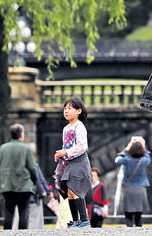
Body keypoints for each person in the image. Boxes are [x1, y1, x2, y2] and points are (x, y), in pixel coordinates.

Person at [54, 96, 92, 228]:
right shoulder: (66, 128)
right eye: (65, 108)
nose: (66, 111)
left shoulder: (79, 126)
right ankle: (75, 220)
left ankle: (84, 218)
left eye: (70, 108)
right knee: (69, 191)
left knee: (76, 189)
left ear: (79, 111)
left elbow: (82, 146)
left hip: (79, 161)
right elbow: (67, 146)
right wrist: (61, 154)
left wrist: (66, 152)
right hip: (69, 162)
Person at [0, 124, 36, 230]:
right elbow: (32, 168)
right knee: (23, 211)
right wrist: (34, 181)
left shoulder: (2, 148)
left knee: (8, 212)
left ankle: (7, 234)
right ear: (21, 135)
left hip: (7, 185)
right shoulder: (26, 148)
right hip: (24, 185)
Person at [116, 137, 151, 227]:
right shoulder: (144, 161)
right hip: (141, 189)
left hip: (129, 189)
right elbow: (147, 156)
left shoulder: (127, 160)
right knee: (138, 216)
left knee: (128, 215)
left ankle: (129, 229)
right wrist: (143, 145)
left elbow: (117, 160)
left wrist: (126, 148)